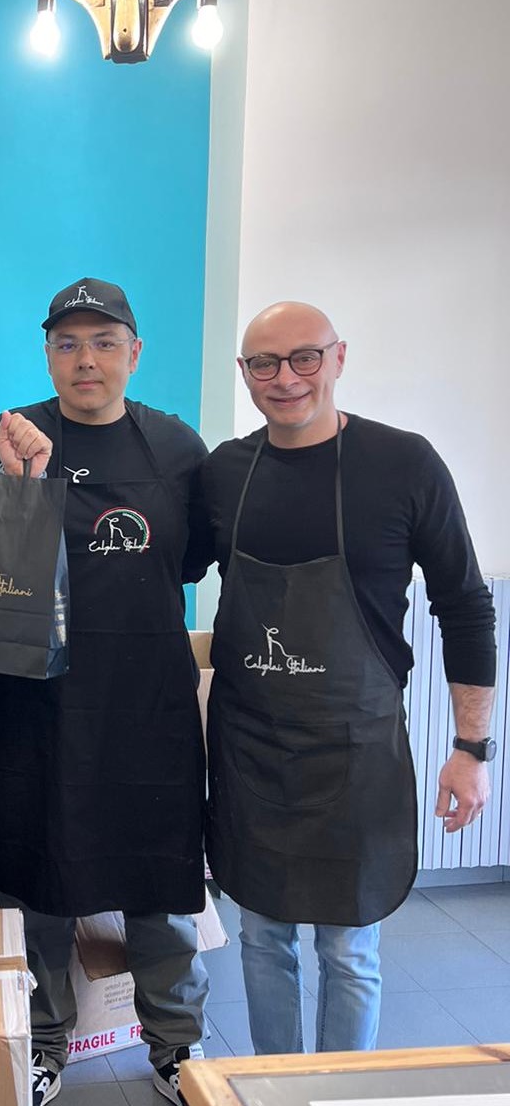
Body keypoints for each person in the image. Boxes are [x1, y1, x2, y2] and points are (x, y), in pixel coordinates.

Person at [189, 300, 497, 1055]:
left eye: (305, 357)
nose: (286, 378)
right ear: (244, 373)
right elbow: (168, 563)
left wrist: (471, 749)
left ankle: (337, 1093)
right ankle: (274, 1088)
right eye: (265, 363)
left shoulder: (404, 464)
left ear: (339, 358)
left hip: (356, 748)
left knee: (348, 949)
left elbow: (465, 605)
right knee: (261, 938)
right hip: (251, 746)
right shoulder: (226, 473)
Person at [0, 279, 210, 1106]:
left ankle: (176, 1047)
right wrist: (20, 485)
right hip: (33, 710)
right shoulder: (6, 436)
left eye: (104, 343)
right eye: (67, 344)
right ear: (47, 355)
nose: (86, 360)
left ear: (134, 353)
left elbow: (188, 563)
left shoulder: (177, 449)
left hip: (147, 709)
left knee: (160, 887)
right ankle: (41, 1042)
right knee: (34, 884)